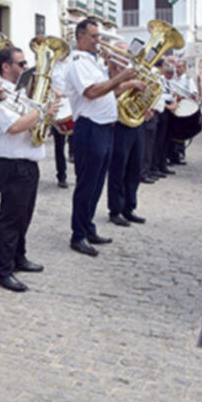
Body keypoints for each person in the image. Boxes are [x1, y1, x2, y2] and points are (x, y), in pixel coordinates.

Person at [66, 18, 141, 257]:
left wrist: (129, 83)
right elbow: (91, 92)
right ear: (80, 37)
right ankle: (78, 235)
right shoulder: (78, 62)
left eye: (99, 36)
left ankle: (88, 227)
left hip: (104, 127)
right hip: (90, 127)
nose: (99, 40)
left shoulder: (93, 62)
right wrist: (121, 77)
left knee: (98, 183)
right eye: (94, 36)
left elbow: (108, 92)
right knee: (87, 184)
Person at [0, 46, 50, 293]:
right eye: (21, 64)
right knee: (10, 219)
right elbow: (14, 126)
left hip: (27, 162)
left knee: (24, 215)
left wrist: (46, 113)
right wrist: (42, 111)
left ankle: (18, 257)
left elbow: (32, 124)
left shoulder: (21, 93)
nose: (26, 68)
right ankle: (3, 270)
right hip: (10, 164)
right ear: (6, 66)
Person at [107, 42, 148, 227]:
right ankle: (115, 209)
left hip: (135, 122)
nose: (126, 55)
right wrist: (129, 82)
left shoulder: (135, 70)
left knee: (135, 167)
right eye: (123, 52)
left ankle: (129, 208)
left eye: (128, 52)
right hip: (119, 124)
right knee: (118, 169)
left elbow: (142, 93)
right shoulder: (110, 71)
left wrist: (146, 106)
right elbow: (110, 93)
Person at [50, 55, 71, 188]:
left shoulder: (73, 64)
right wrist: (54, 92)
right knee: (59, 144)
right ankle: (61, 175)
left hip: (72, 101)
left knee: (77, 143)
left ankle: (80, 174)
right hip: (58, 103)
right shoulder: (52, 66)